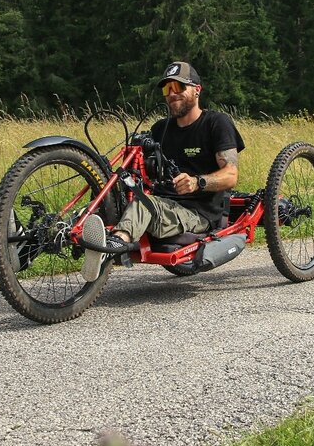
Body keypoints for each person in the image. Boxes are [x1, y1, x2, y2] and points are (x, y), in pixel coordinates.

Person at [81, 61, 245, 282]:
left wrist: (198, 182)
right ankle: (30, 245)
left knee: (145, 203)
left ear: (197, 90)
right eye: (167, 89)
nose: (172, 94)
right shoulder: (161, 129)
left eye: (179, 87)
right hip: (164, 205)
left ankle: (114, 244)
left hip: (198, 212)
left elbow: (231, 175)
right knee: (111, 194)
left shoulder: (216, 123)